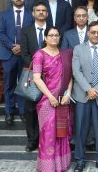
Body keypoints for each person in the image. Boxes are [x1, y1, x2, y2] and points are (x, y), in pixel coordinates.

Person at [72, 21, 98, 172]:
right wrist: (88, 89)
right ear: (88, 33)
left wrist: (95, 90)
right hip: (82, 95)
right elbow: (76, 72)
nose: (96, 35)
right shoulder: (78, 49)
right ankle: (80, 160)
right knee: (81, 129)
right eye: (93, 32)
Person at [33, 27, 73, 172]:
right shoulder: (39, 54)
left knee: (62, 133)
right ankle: (48, 167)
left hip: (63, 100)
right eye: (51, 35)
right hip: (47, 101)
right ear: (45, 38)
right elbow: (36, 78)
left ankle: (61, 165)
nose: (54, 38)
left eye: (57, 35)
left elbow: (69, 76)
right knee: (48, 134)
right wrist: (50, 97)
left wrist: (68, 93)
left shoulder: (66, 54)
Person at [0, 0, 34, 126]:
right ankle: (9, 112)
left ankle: (23, 112)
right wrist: (13, 46)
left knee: (24, 84)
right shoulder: (4, 14)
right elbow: (0, 34)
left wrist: (21, 47)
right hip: (8, 54)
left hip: (24, 55)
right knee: (9, 85)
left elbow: (31, 34)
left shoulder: (31, 15)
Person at [20, 2, 51, 153]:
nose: (40, 13)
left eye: (43, 10)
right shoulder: (26, 31)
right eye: (38, 10)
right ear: (33, 13)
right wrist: (38, 69)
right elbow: (24, 54)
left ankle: (45, 140)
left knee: (47, 109)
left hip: (51, 76)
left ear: (47, 13)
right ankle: (32, 141)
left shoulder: (53, 31)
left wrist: (47, 69)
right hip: (32, 76)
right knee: (30, 109)